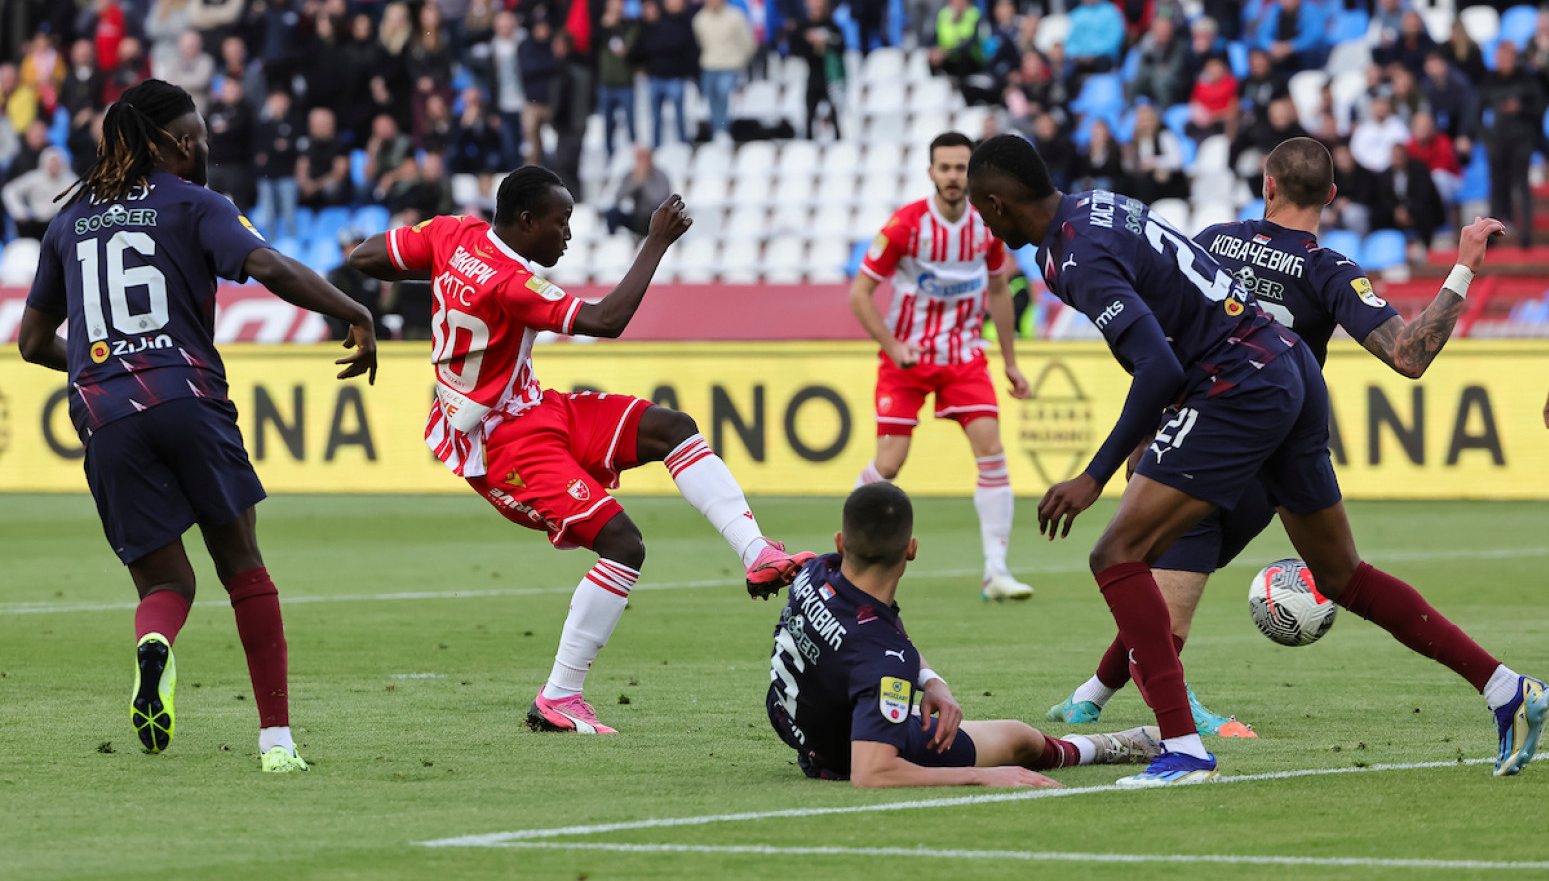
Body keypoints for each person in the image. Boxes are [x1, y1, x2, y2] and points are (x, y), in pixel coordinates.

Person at [966, 132, 1547, 786]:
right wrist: (1462, 267)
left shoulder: (1132, 246)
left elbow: (1158, 361)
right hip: (1290, 374)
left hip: (1232, 392)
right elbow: (1406, 353)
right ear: (1329, 194)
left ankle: (1182, 749)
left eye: (979, 210)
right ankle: (1506, 688)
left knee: (1117, 554)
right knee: (1341, 575)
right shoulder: (1102, 206)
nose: (980, 223)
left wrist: (1094, 474)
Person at [346, 166, 815, 735]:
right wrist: (656, 241)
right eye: (561, 221)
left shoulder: (453, 234)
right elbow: (606, 320)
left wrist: (438, 279)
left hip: (538, 408)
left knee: (672, 427)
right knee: (623, 545)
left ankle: (756, 552)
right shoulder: (511, 284)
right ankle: (559, 697)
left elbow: (364, 256)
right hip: (502, 445)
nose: (568, 233)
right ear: (526, 222)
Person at [15, 79, 379, 773]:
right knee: (242, 565)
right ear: (181, 144)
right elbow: (269, 265)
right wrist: (353, 311)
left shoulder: (68, 221)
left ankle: (154, 645)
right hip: (186, 394)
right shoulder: (195, 203)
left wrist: (102, 366)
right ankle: (276, 743)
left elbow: (32, 343)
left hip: (103, 412)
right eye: (202, 137)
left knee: (166, 585)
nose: (206, 148)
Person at [767, 482, 1164, 787]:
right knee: (1018, 737)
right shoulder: (884, 658)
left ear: (840, 542)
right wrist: (985, 775)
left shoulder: (817, 572)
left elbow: (873, 633)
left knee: (892, 693)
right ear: (911, 550)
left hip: (805, 722)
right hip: (844, 754)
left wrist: (931, 681)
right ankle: (1095, 747)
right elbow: (872, 773)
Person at [850, 132, 1033, 603]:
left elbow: (999, 291)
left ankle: (996, 571)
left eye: (961, 168)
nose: (953, 176)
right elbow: (860, 294)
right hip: (907, 358)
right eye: (945, 168)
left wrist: (1011, 362)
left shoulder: (986, 225)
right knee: (890, 463)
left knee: (991, 448)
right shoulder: (905, 226)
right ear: (931, 172)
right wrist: (892, 346)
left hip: (963, 356)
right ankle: (849, 554)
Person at [693, 0, 755, 141]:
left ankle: (723, 131)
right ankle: (716, 132)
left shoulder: (735, 16)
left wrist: (740, 61)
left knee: (723, 93)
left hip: (730, 66)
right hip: (709, 66)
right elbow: (699, 42)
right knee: (712, 100)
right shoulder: (700, 18)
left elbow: (747, 42)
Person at [606, 144, 672, 236]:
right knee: (612, 213)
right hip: (636, 217)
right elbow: (618, 198)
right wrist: (635, 183)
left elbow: (659, 200)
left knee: (659, 211)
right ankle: (612, 240)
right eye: (639, 158)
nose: (642, 161)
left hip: (653, 217)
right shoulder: (630, 175)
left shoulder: (660, 175)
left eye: (644, 157)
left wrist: (644, 181)